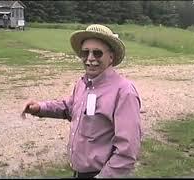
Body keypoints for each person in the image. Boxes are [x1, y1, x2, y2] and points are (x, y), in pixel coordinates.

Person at [21, 24, 142, 178]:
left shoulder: (124, 92)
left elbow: (127, 150)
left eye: (97, 53)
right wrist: (39, 108)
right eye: (85, 52)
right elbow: (69, 108)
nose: (90, 58)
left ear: (111, 57)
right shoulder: (83, 83)